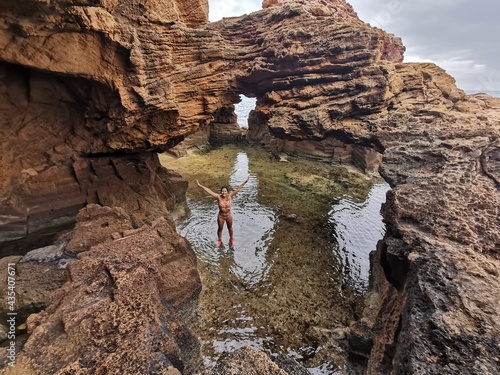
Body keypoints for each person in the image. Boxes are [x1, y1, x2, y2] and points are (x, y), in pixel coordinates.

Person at [196, 177, 249, 246]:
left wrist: (245, 182)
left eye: (225, 191)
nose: (224, 192)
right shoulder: (218, 197)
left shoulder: (230, 196)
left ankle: (231, 239)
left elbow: (238, 189)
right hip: (221, 216)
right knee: (220, 228)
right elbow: (209, 191)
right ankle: (219, 240)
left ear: (227, 192)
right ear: (221, 191)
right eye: (223, 191)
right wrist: (200, 185)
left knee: (230, 228)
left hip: (229, 215)